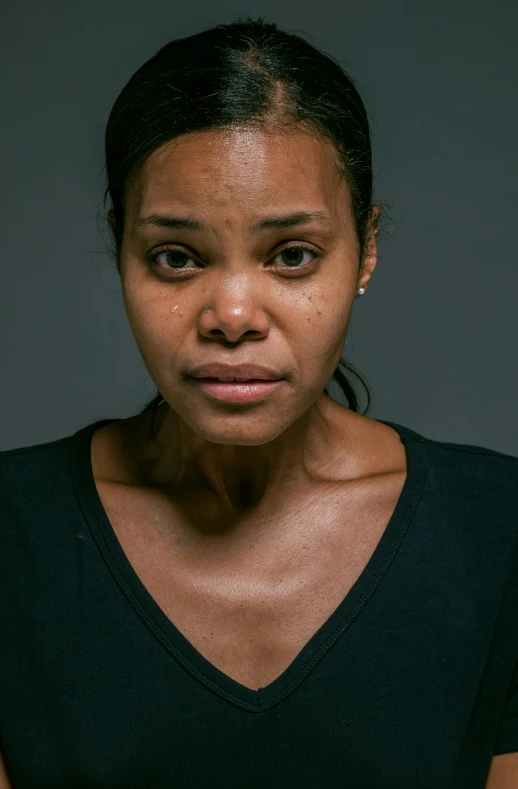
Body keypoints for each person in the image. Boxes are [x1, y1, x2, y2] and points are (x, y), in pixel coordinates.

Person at [1, 16, 517, 789]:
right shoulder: (14, 534)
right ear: (120, 249)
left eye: (292, 255)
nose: (233, 315)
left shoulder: (499, 532)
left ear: (365, 248)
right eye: (176, 256)